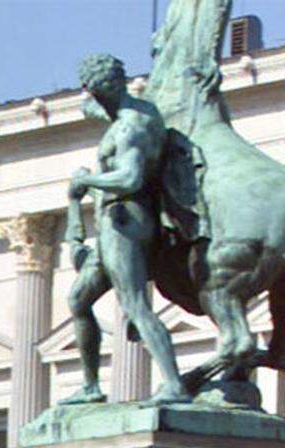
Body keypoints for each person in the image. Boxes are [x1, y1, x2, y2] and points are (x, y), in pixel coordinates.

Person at [65, 53, 189, 405]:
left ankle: (174, 383)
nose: (86, 97)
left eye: (89, 89)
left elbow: (131, 177)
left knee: (134, 304)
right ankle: (91, 386)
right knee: (78, 300)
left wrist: (87, 180)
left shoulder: (130, 126)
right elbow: (90, 110)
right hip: (112, 223)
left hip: (126, 220)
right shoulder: (128, 116)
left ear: (100, 88)